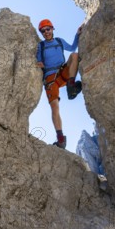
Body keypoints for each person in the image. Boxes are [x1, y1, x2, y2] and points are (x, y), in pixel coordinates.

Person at [36, 19, 82, 149]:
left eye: (48, 29)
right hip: (50, 79)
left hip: (62, 73)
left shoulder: (60, 41)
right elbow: (39, 61)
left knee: (74, 55)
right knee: (55, 107)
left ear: (52, 29)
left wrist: (77, 35)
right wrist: (38, 64)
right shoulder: (41, 46)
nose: (46, 32)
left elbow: (72, 47)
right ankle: (61, 139)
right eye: (43, 31)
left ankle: (71, 86)